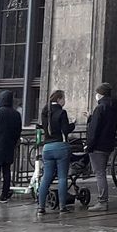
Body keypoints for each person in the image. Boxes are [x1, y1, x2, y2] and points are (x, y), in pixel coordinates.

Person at [35, 89, 71, 217]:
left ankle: (41, 207)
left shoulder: (45, 111)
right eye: (64, 98)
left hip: (47, 148)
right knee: (62, 178)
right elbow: (65, 130)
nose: (65, 101)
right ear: (59, 99)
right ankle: (62, 207)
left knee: (46, 178)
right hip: (60, 147)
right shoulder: (62, 112)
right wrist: (73, 124)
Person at [84, 84, 117, 212]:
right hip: (108, 144)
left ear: (100, 94)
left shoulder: (100, 108)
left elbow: (95, 129)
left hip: (98, 145)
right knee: (102, 172)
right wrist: (91, 118)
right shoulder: (113, 107)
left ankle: (102, 201)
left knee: (99, 173)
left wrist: (89, 145)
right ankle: (103, 200)